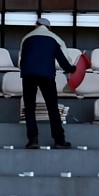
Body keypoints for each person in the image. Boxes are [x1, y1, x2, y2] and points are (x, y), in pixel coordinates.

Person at [19, 17, 75, 149]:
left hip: (28, 74)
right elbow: (65, 63)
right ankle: (59, 140)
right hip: (47, 75)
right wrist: (74, 69)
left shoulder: (26, 38)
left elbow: (21, 60)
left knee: (29, 107)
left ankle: (33, 140)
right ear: (48, 27)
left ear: (36, 26)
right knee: (52, 107)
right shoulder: (54, 38)